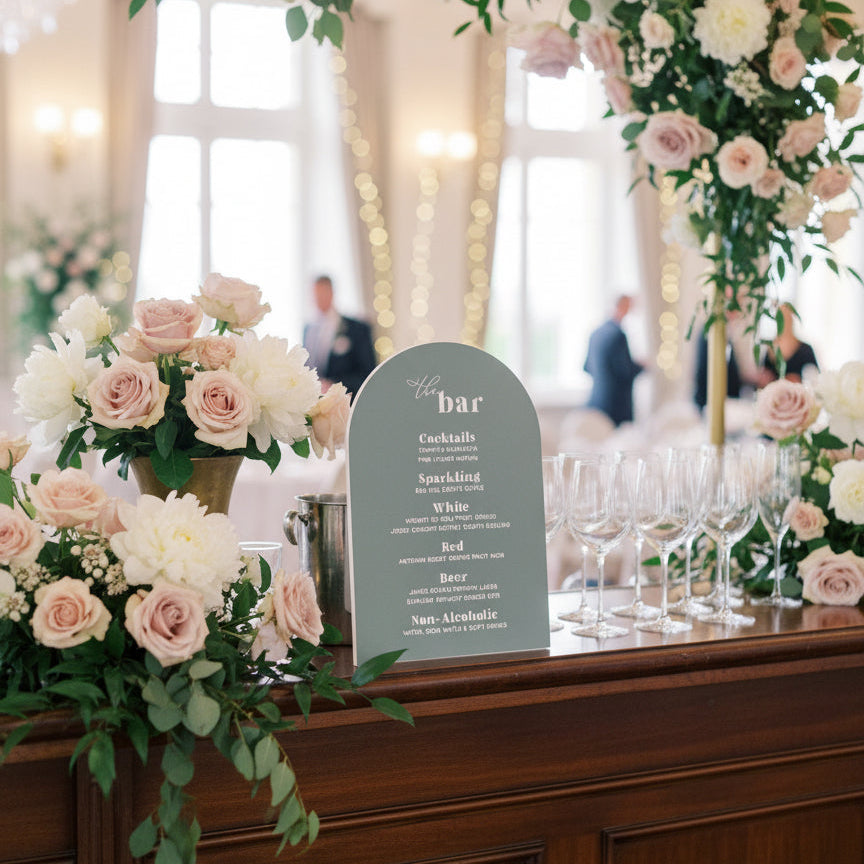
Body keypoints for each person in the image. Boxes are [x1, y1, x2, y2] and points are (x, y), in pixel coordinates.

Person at [303, 275, 377, 400]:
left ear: (331, 293)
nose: (318, 298)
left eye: (322, 293)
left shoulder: (357, 328)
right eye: (316, 294)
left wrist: (333, 386)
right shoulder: (307, 329)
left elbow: (368, 374)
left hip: (346, 403)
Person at [583, 294, 645, 426]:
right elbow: (625, 371)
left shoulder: (595, 333)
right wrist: (642, 366)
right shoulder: (618, 335)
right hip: (617, 405)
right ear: (623, 307)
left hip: (597, 401)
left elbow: (586, 367)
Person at [756, 303, 818, 386]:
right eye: (780, 318)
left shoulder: (805, 350)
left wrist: (799, 380)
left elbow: (816, 378)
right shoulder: (769, 347)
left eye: (786, 317)